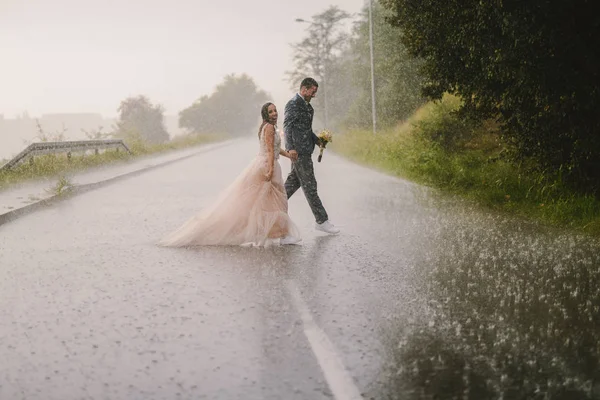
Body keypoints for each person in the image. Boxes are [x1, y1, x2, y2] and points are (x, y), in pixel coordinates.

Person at [158, 102, 302, 247]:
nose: (274, 113)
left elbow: (275, 149)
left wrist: (288, 155)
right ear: (265, 114)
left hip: (265, 163)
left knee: (266, 203)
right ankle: (281, 234)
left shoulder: (267, 127)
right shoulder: (269, 128)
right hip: (267, 165)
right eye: (270, 112)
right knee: (276, 202)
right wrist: (270, 170)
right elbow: (270, 151)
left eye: (275, 111)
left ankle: (278, 234)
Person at [284, 77, 340, 234]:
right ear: (304, 89)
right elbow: (288, 126)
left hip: (305, 151)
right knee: (310, 186)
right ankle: (321, 220)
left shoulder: (308, 108)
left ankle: (269, 208)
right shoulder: (293, 104)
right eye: (312, 92)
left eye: (315, 92)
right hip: (299, 153)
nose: (314, 95)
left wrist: (318, 141)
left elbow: (306, 131)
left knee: (291, 185)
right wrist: (290, 148)